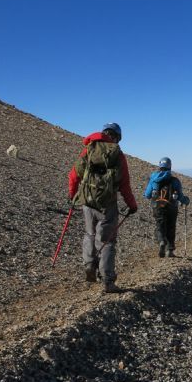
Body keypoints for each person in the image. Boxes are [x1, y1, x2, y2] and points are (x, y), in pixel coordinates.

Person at [68, 122, 138, 293]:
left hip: (87, 202)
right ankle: (107, 281)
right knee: (107, 241)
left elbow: (74, 175)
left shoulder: (89, 149)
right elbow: (124, 184)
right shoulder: (117, 154)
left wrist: (72, 195)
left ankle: (89, 265)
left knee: (89, 234)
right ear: (117, 137)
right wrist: (132, 205)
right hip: (107, 205)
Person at [144, 157, 190, 258]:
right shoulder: (175, 180)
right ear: (170, 166)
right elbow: (180, 197)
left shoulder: (154, 178)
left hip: (157, 206)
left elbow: (147, 195)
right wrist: (186, 201)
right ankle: (170, 250)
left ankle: (161, 241)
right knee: (171, 227)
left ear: (160, 165)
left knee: (160, 225)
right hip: (172, 207)